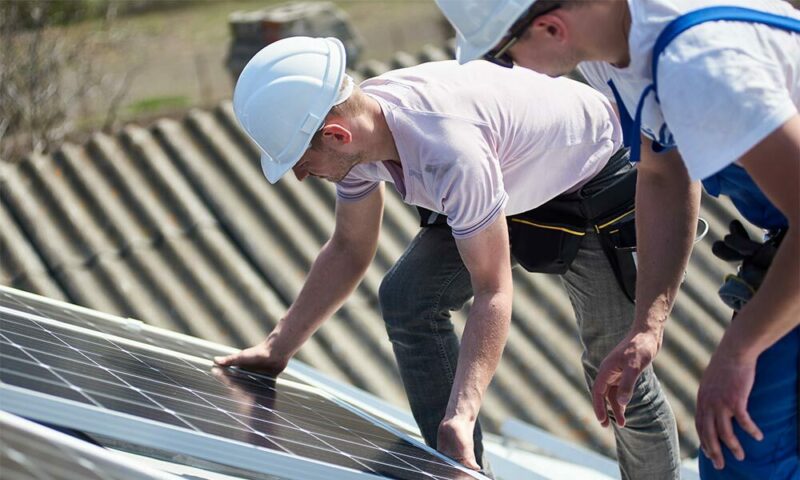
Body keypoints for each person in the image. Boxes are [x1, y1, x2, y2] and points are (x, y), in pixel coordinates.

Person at [213, 36, 681, 478]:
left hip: (586, 170)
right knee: (407, 296)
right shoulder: (363, 138)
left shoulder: (446, 149)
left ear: (336, 136)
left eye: (299, 158)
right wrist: (279, 347)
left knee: (619, 375)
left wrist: (464, 408)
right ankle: (461, 468)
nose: (298, 175)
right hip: (501, 172)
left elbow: (492, 290)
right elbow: (349, 248)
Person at [435, 0, 800, 478]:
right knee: (737, 453)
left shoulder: (698, 63)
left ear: (550, 27)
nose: (510, 69)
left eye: (502, 55)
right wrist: (647, 325)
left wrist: (738, 351)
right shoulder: (611, 50)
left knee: (742, 452)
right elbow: (664, 172)